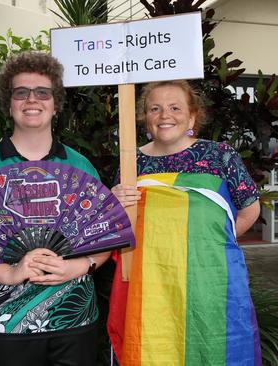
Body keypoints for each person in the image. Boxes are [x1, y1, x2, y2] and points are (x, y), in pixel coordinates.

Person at [0, 52, 109, 366]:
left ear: (56, 104)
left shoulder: (80, 166)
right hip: (1, 323)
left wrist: (80, 266)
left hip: (73, 321)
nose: (31, 100)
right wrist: (10, 272)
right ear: (9, 104)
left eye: (42, 92)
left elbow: (105, 239)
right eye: (21, 92)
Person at [107, 80, 262, 365]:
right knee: (152, 347)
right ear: (145, 117)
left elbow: (250, 209)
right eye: (155, 108)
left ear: (192, 116)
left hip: (208, 277)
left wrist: (212, 244)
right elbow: (119, 225)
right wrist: (113, 203)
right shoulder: (131, 163)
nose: (165, 115)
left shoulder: (220, 157)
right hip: (149, 282)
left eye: (175, 108)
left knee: (212, 347)